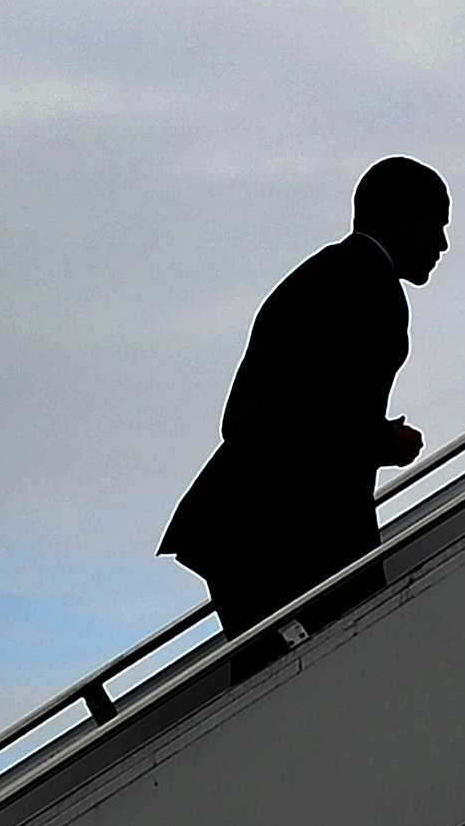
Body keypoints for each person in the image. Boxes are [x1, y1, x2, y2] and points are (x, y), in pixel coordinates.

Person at [161, 156, 449, 670]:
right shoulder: (364, 282)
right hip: (282, 529)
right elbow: (296, 412)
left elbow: (279, 405)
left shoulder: (329, 275)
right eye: (438, 223)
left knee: (286, 681)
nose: (443, 244)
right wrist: (381, 442)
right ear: (404, 214)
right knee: (326, 675)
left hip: (258, 521)